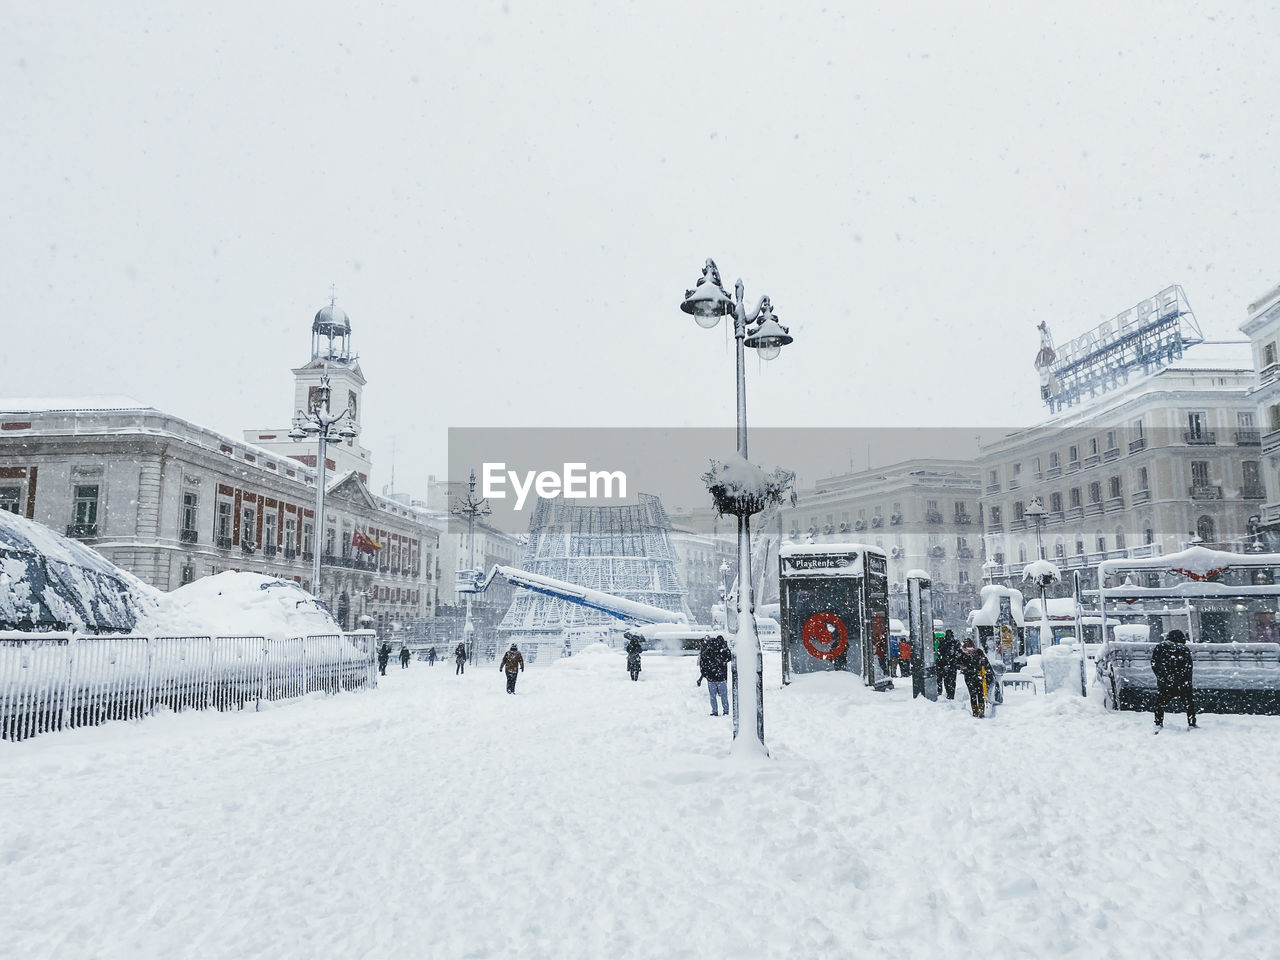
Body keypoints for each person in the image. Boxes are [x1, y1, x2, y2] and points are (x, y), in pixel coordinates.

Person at [1151, 628, 1196, 730]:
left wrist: (1162, 677)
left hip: (1165, 682)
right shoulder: (1184, 649)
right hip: (1182, 683)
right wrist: (1185, 681)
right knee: (1189, 704)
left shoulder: (1160, 647)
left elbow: (1154, 664)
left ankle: (1158, 723)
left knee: (1160, 703)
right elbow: (1188, 667)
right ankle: (1191, 723)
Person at [957, 638, 994, 718]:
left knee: (979, 693)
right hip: (969, 675)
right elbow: (957, 663)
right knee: (973, 693)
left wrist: (984, 663)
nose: (969, 649)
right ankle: (975, 711)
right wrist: (961, 667)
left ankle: (980, 712)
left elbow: (986, 661)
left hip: (978, 675)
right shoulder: (962, 653)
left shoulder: (978, 652)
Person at [698, 635, 733, 717]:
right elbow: (729, 657)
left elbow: (703, 664)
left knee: (712, 696)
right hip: (721, 677)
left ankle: (715, 711)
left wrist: (706, 674)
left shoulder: (708, 651)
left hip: (711, 678)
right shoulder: (721, 650)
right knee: (723, 696)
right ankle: (726, 711)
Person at [937, 630, 960, 700]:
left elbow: (939, 652)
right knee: (952, 680)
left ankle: (949, 694)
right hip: (952, 664)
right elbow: (959, 653)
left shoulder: (944, 642)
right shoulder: (955, 642)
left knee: (947, 680)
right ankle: (951, 694)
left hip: (945, 665)